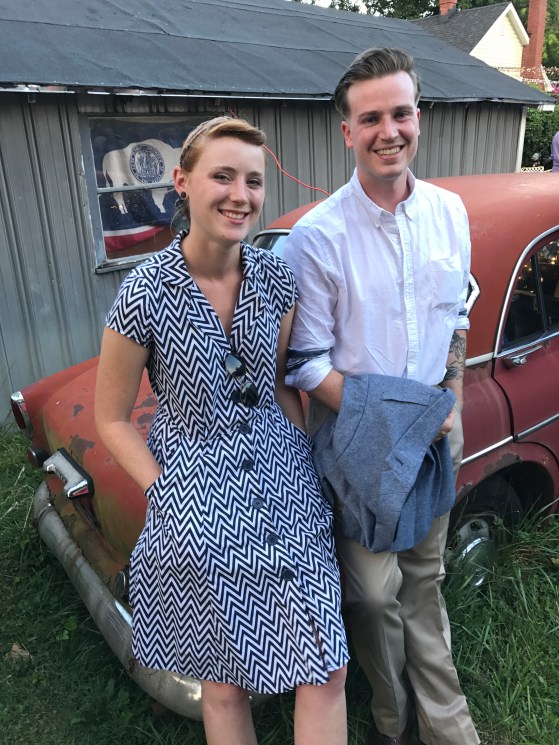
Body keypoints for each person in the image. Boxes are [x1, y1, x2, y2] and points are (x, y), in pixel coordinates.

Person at [94, 116, 349, 745]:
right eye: (223, 176)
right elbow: (110, 417)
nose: (241, 195)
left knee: (326, 668)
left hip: (286, 488)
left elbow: (280, 385)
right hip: (194, 495)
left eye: (253, 181)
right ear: (182, 182)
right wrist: (164, 492)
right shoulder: (144, 292)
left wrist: (304, 465)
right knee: (226, 682)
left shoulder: (276, 279)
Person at [283, 49, 480, 745]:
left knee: (424, 581)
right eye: (370, 119)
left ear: (418, 117)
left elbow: (456, 313)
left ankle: (448, 729)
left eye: (400, 113)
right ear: (347, 131)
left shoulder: (450, 212)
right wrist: (399, 421)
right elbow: (305, 364)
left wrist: (451, 396)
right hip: (359, 440)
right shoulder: (315, 238)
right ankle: (391, 721)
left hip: (436, 428)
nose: (387, 131)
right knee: (371, 597)